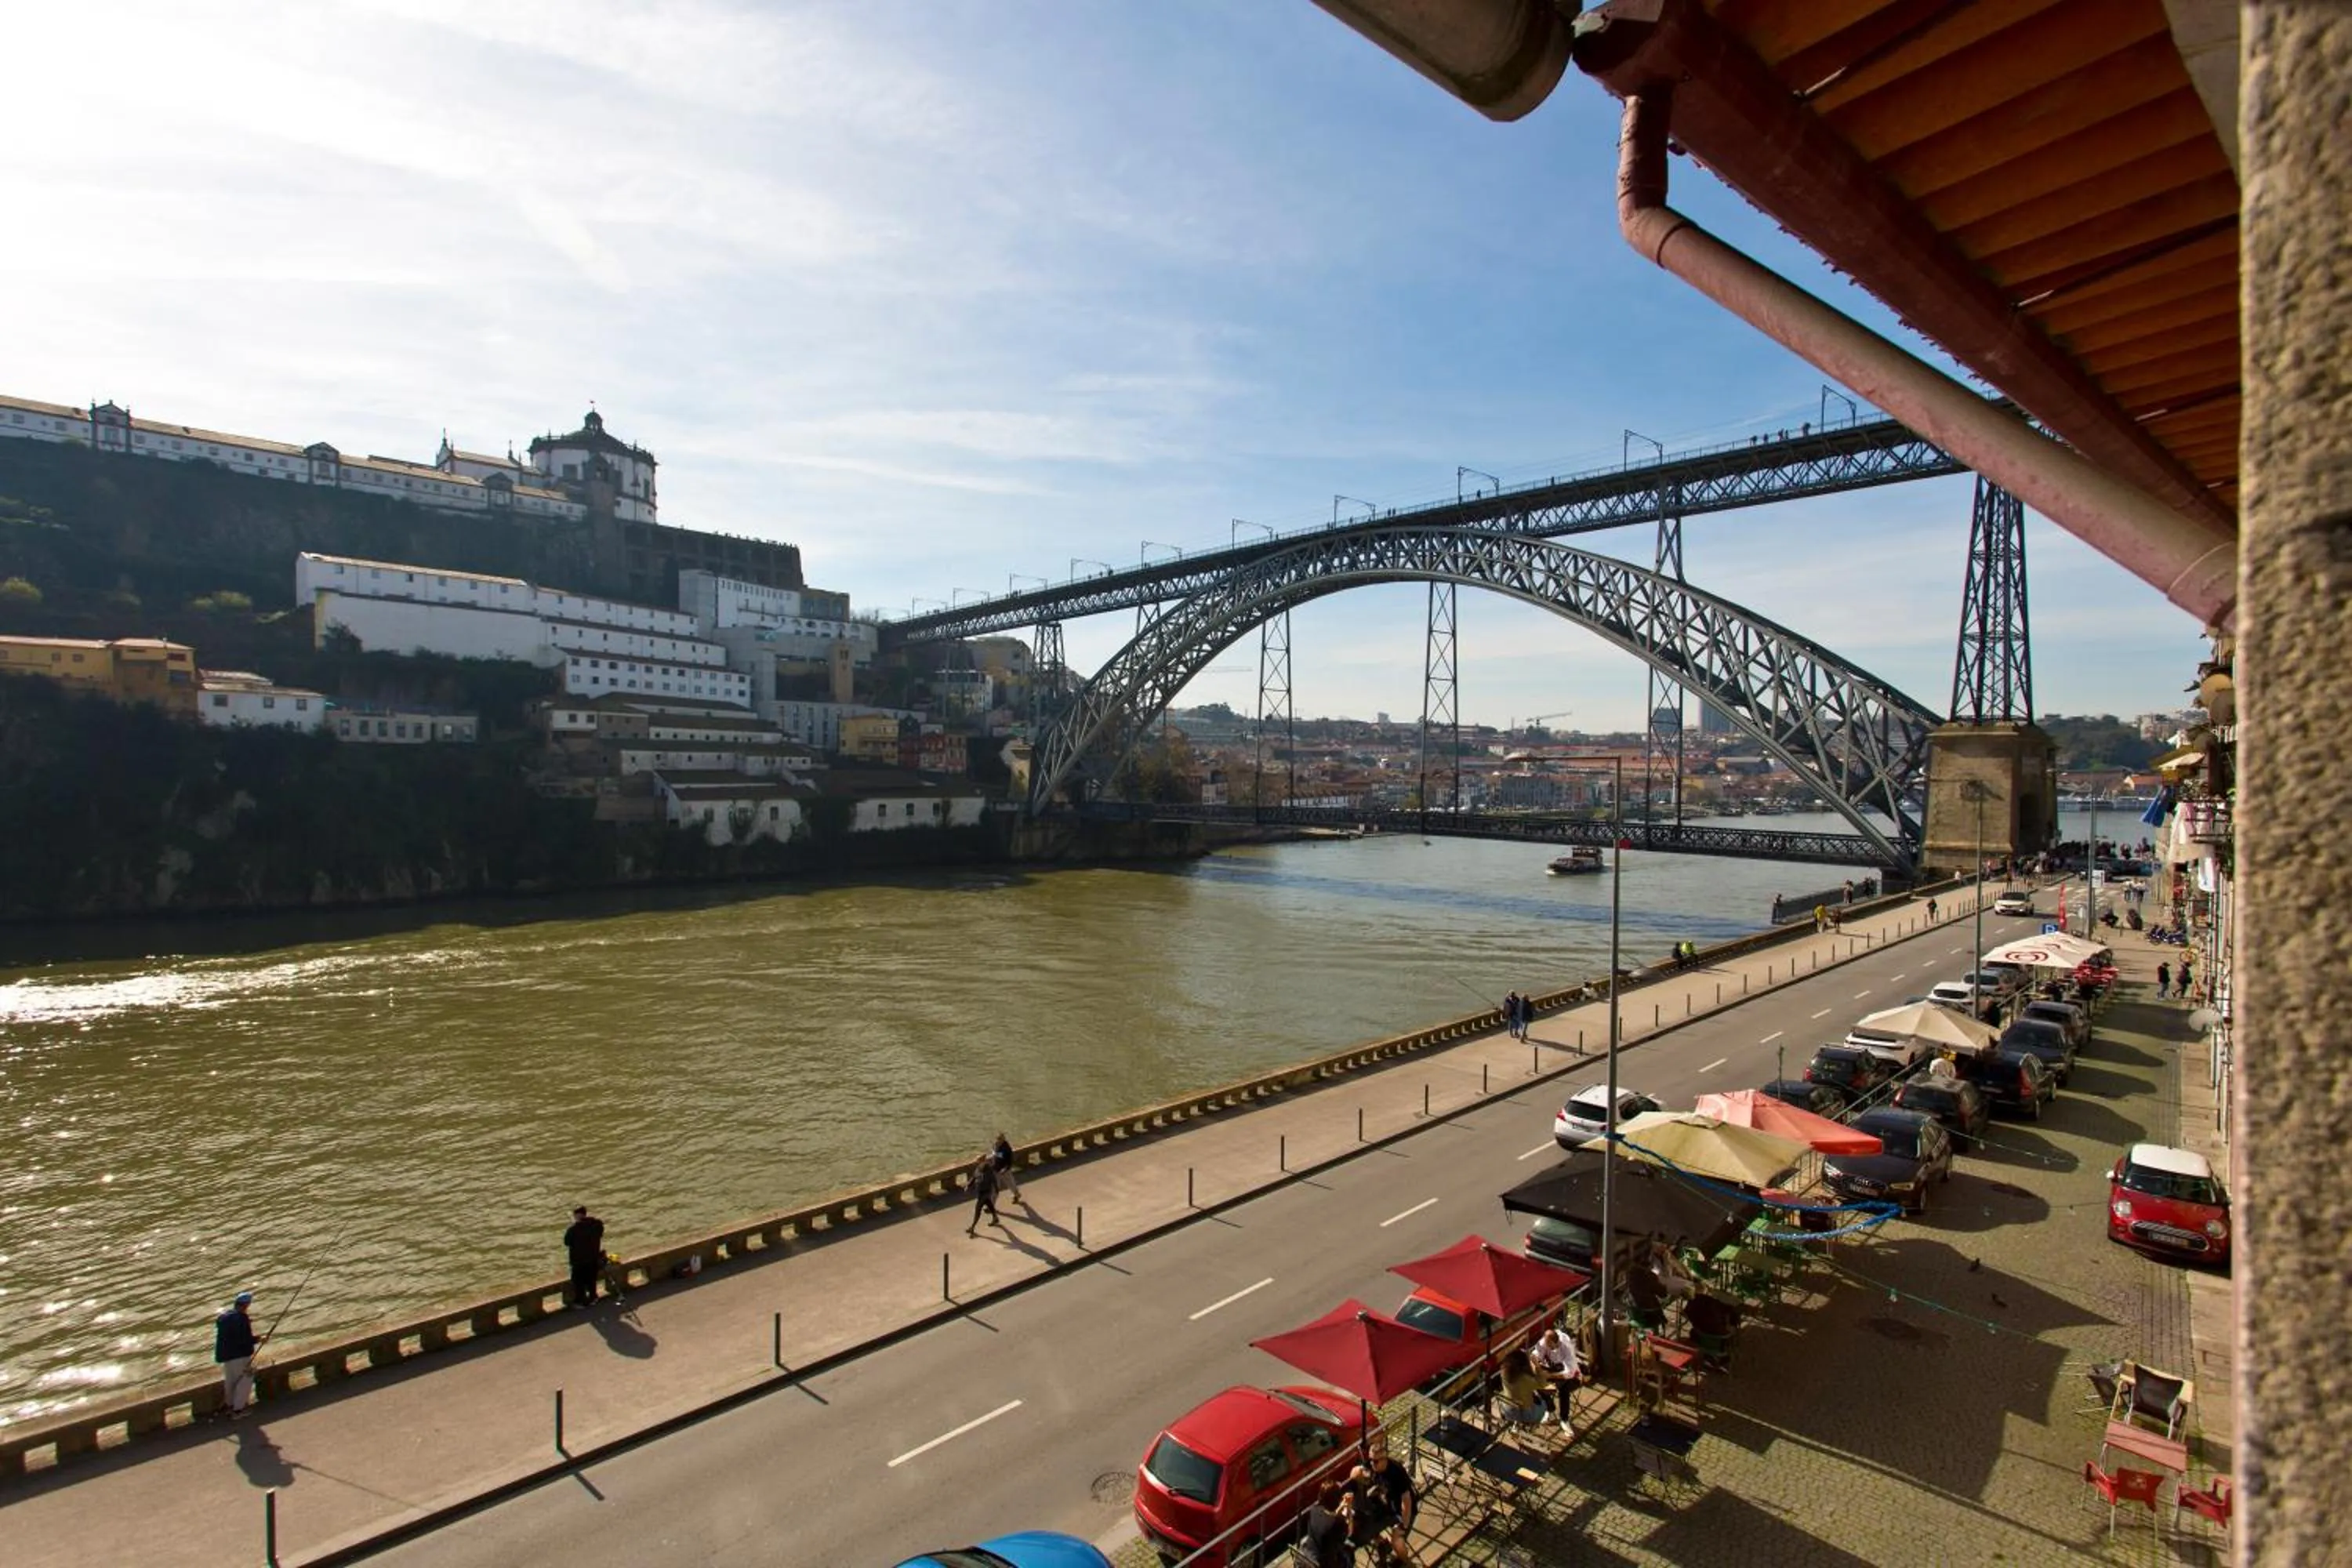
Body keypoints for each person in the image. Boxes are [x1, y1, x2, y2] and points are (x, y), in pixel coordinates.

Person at [1360, 1451, 1418, 1563]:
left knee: (1397, 1540)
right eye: (1370, 1460)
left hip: (1403, 1511)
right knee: (1366, 1527)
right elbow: (1358, 1472)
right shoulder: (1372, 1466)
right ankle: (1383, 1546)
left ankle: (1406, 1563)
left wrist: (1403, 1526)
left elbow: (1406, 1501)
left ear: (1384, 1459)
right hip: (1388, 1508)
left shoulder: (1396, 1472)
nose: (1372, 1464)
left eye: (1375, 1461)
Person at [1530, 1320, 1584, 1432]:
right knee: (1535, 1382)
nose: (1547, 1346)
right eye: (1546, 1344)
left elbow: (1570, 1372)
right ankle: (1550, 1408)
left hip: (1571, 1375)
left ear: (1555, 1343)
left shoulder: (1566, 1347)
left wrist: (1550, 1375)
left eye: (1549, 1345)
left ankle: (1564, 1419)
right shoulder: (1544, 1342)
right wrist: (1536, 1366)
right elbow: (1536, 1354)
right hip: (1552, 1369)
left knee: (1563, 1389)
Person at [214, 1290, 259, 1419]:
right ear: (246, 1305)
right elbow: (245, 1339)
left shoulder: (225, 1317)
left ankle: (230, 1406)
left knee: (231, 1381)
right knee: (246, 1379)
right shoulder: (242, 1319)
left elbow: (232, 1333)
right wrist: (259, 1339)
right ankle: (238, 1410)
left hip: (226, 1357)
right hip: (240, 1356)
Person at [1298, 1480, 1355, 1567]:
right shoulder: (1336, 1524)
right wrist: (1349, 1507)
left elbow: (1329, 1516)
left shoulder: (1314, 1510)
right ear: (1337, 1499)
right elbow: (1350, 1532)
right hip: (1326, 1563)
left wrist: (1341, 1507)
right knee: (1350, 1550)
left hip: (1309, 1555)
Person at [563, 1206, 606, 1309]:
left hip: (579, 1261)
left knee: (579, 1282)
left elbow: (567, 1242)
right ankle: (593, 1298)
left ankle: (580, 1302)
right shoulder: (597, 1224)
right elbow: (600, 1233)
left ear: (577, 1215)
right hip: (593, 1258)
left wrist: (575, 1224)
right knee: (592, 1280)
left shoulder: (573, 1229)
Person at [1497, 1347, 1549, 1427]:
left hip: (1507, 1411)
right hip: (1525, 1415)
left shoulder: (1504, 1373)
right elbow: (1543, 1384)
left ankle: (1516, 1424)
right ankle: (1536, 1422)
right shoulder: (1524, 1379)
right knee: (1546, 1402)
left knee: (1531, 1395)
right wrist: (1537, 1365)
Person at [966, 1151, 1004, 1236]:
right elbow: (974, 1177)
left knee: (978, 1209)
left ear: (983, 1162)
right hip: (980, 1191)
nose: (977, 1163)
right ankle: (995, 1218)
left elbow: (993, 1179)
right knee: (989, 1204)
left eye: (978, 1162)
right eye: (977, 1162)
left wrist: (997, 1189)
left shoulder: (988, 1170)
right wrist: (968, 1185)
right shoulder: (978, 1168)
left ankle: (972, 1228)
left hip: (986, 1192)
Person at [990, 1132, 1025, 1206]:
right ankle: (992, 1205)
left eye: (1000, 1139)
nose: (998, 1141)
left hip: (1005, 1171)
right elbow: (994, 1158)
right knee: (995, 1188)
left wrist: (1005, 1169)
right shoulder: (994, 1145)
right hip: (996, 1170)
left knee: (1011, 1185)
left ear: (1003, 1140)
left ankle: (1016, 1195)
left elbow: (1009, 1161)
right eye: (997, 1139)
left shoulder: (1007, 1149)